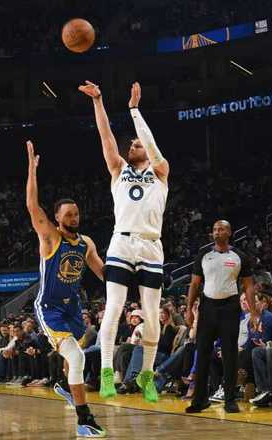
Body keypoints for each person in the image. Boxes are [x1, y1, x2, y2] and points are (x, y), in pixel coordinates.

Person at [79, 80, 169, 403]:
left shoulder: (160, 171)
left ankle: (146, 375)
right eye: (131, 143)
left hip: (151, 245)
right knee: (114, 308)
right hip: (121, 243)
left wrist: (134, 110)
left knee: (151, 314)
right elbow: (105, 136)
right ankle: (106, 371)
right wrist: (98, 101)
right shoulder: (119, 169)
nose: (133, 145)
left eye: (137, 144)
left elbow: (152, 145)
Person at [25, 140, 106, 438]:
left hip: (73, 307)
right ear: (57, 218)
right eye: (68, 214)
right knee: (77, 357)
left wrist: (129, 278)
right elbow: (32, 206)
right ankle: (84, 419)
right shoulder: (50, 237)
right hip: (49, 308)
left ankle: (65, 386)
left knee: (74, 354)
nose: (74, 218)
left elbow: (103, 273)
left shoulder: (86, 243)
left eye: (76, 214)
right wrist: (32, 169)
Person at [183, 220, 258, 413]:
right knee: (202, 353)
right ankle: (200, 400)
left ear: (229, 232)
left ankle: (230, 400)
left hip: (230, 307)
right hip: (207, 307)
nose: (217, 232)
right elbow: (194, 284)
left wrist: (254, 313)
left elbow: (249, 286)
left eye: (221, 229)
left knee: (230, 355)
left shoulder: (239, 256)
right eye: (215, 229)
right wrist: (189, 309)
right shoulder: (203, 254)